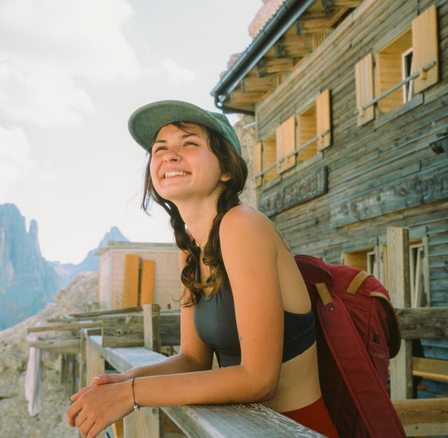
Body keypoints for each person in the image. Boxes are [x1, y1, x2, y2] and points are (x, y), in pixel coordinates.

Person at [66, 100, 338, 438]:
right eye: (159, 149)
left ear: (226, 169)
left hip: (295, 429)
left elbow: (259, 379)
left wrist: (131, 395)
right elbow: (193, 359)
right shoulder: (190, 247)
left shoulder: (242, 225)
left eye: (189, 143)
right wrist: (128, 379)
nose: (169, 155)